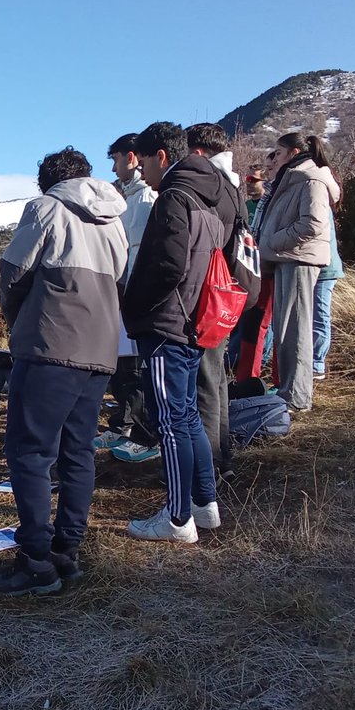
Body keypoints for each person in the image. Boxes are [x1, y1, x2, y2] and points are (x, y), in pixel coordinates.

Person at [0, 147, 127, 597]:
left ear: (47, 181)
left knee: (30, 453)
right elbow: (122, 280)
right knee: (77, 451)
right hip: (101, 349)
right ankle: (67, 552)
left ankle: (35, 561)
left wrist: (18, 321)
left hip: (50, 344)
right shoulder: (115, 218)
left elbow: (13, 271)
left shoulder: (45, 207)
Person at [121, 122, 224, 543]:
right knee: (187, 415)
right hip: (195, 321)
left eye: (144, 161)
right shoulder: (208, 199)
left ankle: (178, 517)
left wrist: (134, 307)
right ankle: (205, 502)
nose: (141, 171)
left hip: (167, 323)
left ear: (161, 156)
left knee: (170, 422)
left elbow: (168, 267)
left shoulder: (173, 199)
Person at [255, 133, 341, 413]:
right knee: (286, 329)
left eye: (279, 153)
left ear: (293, 153)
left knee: (296, 330)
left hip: (299, 261)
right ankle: (288, 392)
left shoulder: (310, 179)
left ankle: (296, 397)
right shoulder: (294, 179)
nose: (275, 159)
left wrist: (273, 241)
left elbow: (313, 224)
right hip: (286, 260)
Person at [93, 133, 159, 463]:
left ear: (131, 158)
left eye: (116, 159)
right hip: (120, 289)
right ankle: (123, 423)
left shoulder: (145, 198)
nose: (114, 167)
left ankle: (137, 429)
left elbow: (140, 251)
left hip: (132, 292)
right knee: (121, 366)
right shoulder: (128, 197)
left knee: (132, 368)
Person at [184, 123, 241, 480]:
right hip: (226, 293)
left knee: (205, 379)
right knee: (217, 378)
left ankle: (209, 465)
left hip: (208, 295)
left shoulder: (211, 187)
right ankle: (222, 455)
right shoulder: (232, 186)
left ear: (198, 152)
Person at [232, 145, 288, 383]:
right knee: (252, 322)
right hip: (256, 266)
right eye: (247, 179)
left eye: (254, 179)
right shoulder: (254, 203)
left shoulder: (280, 196)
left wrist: (268, 245)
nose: (249, 183)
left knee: (277, 323)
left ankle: (279, 376)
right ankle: (246, 376)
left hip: (276, 265)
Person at [312, 203, 344, 381]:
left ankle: (317, 364)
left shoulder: (319, 203)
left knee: (320, 315)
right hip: (316, 266)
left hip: (325, 269)